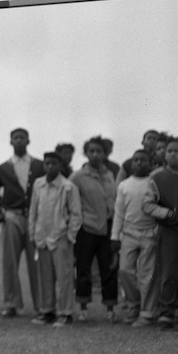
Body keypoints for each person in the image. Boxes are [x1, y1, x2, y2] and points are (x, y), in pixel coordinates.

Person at [0, 128, 45, 319]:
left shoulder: (39, 165)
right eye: (15, 138)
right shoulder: (3, 168)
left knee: (36, 261)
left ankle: (42, 305)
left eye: (22, 138)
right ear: (10, 142)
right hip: (12, 217)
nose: (19, 141)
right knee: (10, 262)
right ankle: (11, 303)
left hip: (34, 219)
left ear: (28, 141)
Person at [28, 152, 83, 327]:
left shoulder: (68, 186)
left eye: (54, 164)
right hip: (42, 237)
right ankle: (47, 311)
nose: (50, 167)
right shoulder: (38, 184)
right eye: (47, 164)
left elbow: (76, 215)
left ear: (60, 165)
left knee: (64, 277)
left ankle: (66, 313)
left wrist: (70, 236)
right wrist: (32, 233)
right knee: (45, 276)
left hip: (61, 238)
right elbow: (33, 211)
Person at [69, 136, 118, 322]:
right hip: (86, 229)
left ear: (105, 153)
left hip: (107, 229)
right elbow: (72, 203)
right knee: (84, 270)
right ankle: (83, 309)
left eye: (99, 151)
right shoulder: (78, 176)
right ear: (86, 153)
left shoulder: (110, 175)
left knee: (109, 270)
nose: (95, 155)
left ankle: (110, 309)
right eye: (92, 151)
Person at [113, 149, 160, 327]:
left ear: (151, 163)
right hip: (129, 233)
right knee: (125, 270)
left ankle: (147, 313)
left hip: (150, 232)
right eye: (136, 160)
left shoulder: (155, 183)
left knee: (147, 273)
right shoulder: (124, 185)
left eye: (143, 160)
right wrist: (114, 237)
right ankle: (134, 305)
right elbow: (119, 213)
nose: (139, 163)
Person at [142, 135, 178, 331]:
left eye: (177, 150)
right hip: (169, 230)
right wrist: (166, 213)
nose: (173, 154)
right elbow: (147, 205)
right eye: (169, 151)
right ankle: (167, 312)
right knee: (168, 272)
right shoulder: (157, 177)